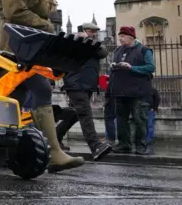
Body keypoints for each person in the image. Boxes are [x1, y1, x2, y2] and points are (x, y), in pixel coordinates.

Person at [0, 0, 84, 172]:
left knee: (21, 92)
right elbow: (15, 12)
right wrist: (45, 24)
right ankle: (51, 152)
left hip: (30, 46)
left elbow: (41, 10)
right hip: (15, 46)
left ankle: (32, 150)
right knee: (34, 89)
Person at [56, 23, 112, 161]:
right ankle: (96, 147)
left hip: (86, 86)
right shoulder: (72, 45)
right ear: (81, 31)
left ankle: (55, 139)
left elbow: (103, 52)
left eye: (94, 32)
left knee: (76, 114)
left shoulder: (91, 45)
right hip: (76, 85)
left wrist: (89, 41)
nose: (93, 33)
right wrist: (77, 40)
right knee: (86, 115)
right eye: (90, 31)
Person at [109, 26, 155, 155]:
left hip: (138, 92)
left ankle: (140, 145)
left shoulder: (144, 50)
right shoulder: (118, 51)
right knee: (121, 119)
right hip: (120, 91)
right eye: (119, 36)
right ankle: (124, 144)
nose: (120, 38)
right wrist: (114, 67)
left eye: (122, 36)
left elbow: (151, 67)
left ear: (131, 37)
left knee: (139, 119)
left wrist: (131, 68)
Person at [145, 87, 160, 154]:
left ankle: (149, 139)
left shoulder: (153, 90)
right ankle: (147, 139)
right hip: (144, 109)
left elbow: (157, 99)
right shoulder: (145, 89)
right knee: (147, 125)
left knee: (150, 125)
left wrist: (153, 108)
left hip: (150, 110)